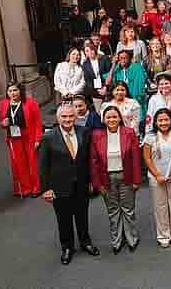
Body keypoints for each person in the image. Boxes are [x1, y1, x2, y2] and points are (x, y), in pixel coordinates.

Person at [39, 104, 100, 265]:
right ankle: (67, 248)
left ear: (75, 117)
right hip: (59, 186)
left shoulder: (84, 132)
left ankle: (85, 242)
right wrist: (45, 189)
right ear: (58, 118)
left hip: (81, 184)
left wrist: (92, 182)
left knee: (82, 216)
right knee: (63, 219)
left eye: (70, 116)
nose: (67, 120)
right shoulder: (48, 137)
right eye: (64, 117)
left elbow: (89, 160)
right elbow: (43, 165)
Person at [89, 106, 142, 254]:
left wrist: (137, 180)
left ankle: (132, 238)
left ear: (120, 118)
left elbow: (136, 159)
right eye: (108, 117)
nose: (112, 120)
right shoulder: (96, 135)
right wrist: (97, 184)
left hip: (127, 177)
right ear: (104, 120)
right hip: (107, 179)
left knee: (128, 209)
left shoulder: (129, 133)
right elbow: (94, 162)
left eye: (114, 117)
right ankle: (117, 241)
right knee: (113, 211)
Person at [142, 108, 171, 248]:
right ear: (155, 122)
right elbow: (147, 158)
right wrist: (157, 175)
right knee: (160, 206)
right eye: (160, 120)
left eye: (166, 119)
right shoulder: (150, 137)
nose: (163, 122)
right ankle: (163, 235)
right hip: (156, 177)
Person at [0, 81, 43, 198]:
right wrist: (3, 124)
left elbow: (38, 122)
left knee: (32, 162)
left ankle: (36, 188)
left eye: (15, 90)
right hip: (14, 138)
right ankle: (24, 188)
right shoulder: (4, 104)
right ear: (7, 93)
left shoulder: (30, 103)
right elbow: (3, 122)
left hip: (29, 136)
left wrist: (38, 139)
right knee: (19, 164)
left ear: (20, 91)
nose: (13, 93)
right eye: (10, 91)